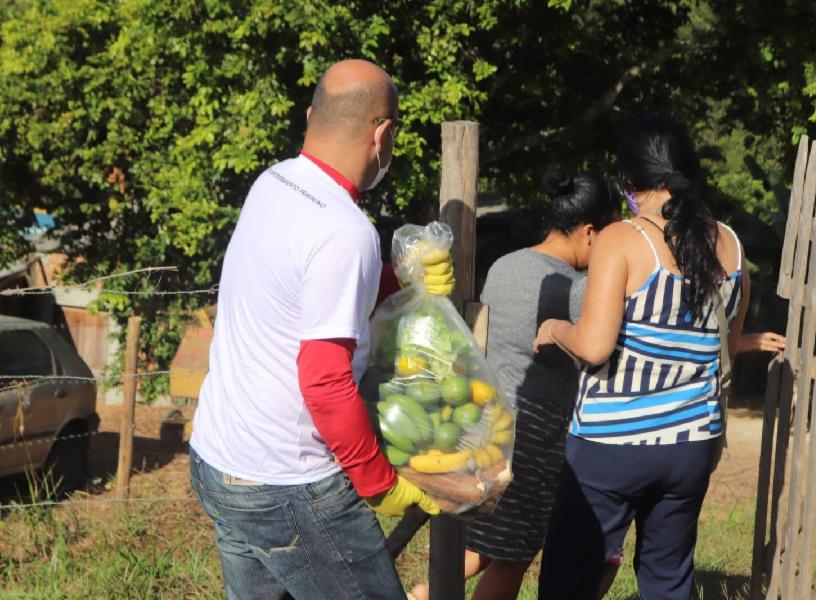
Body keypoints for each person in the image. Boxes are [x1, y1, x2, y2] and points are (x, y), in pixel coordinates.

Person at [188, 59, 450, 600]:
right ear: (382, 135)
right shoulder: (345, 230)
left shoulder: (274, 181)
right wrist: (379, 483)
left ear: (312, 116)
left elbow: (299, 299)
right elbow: (325, 379)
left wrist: (395, 278)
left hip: (221, 461)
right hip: (289, 483)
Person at [533, 115, 753, 600]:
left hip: (611, 446)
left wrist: (553, 328)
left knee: (568, 581)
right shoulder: (732, 245)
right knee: (668, 581)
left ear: (629, 180)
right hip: (692, 444)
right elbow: (726, 350)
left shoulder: (624, 239)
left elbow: (594, 344)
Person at [410, 167, 621, 600]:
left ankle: (427, 593)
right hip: (536, 439)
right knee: (514, 554)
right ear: (588, 232)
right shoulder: (576, 289)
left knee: (489, 537)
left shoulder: (506, 265)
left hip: (486, 425)